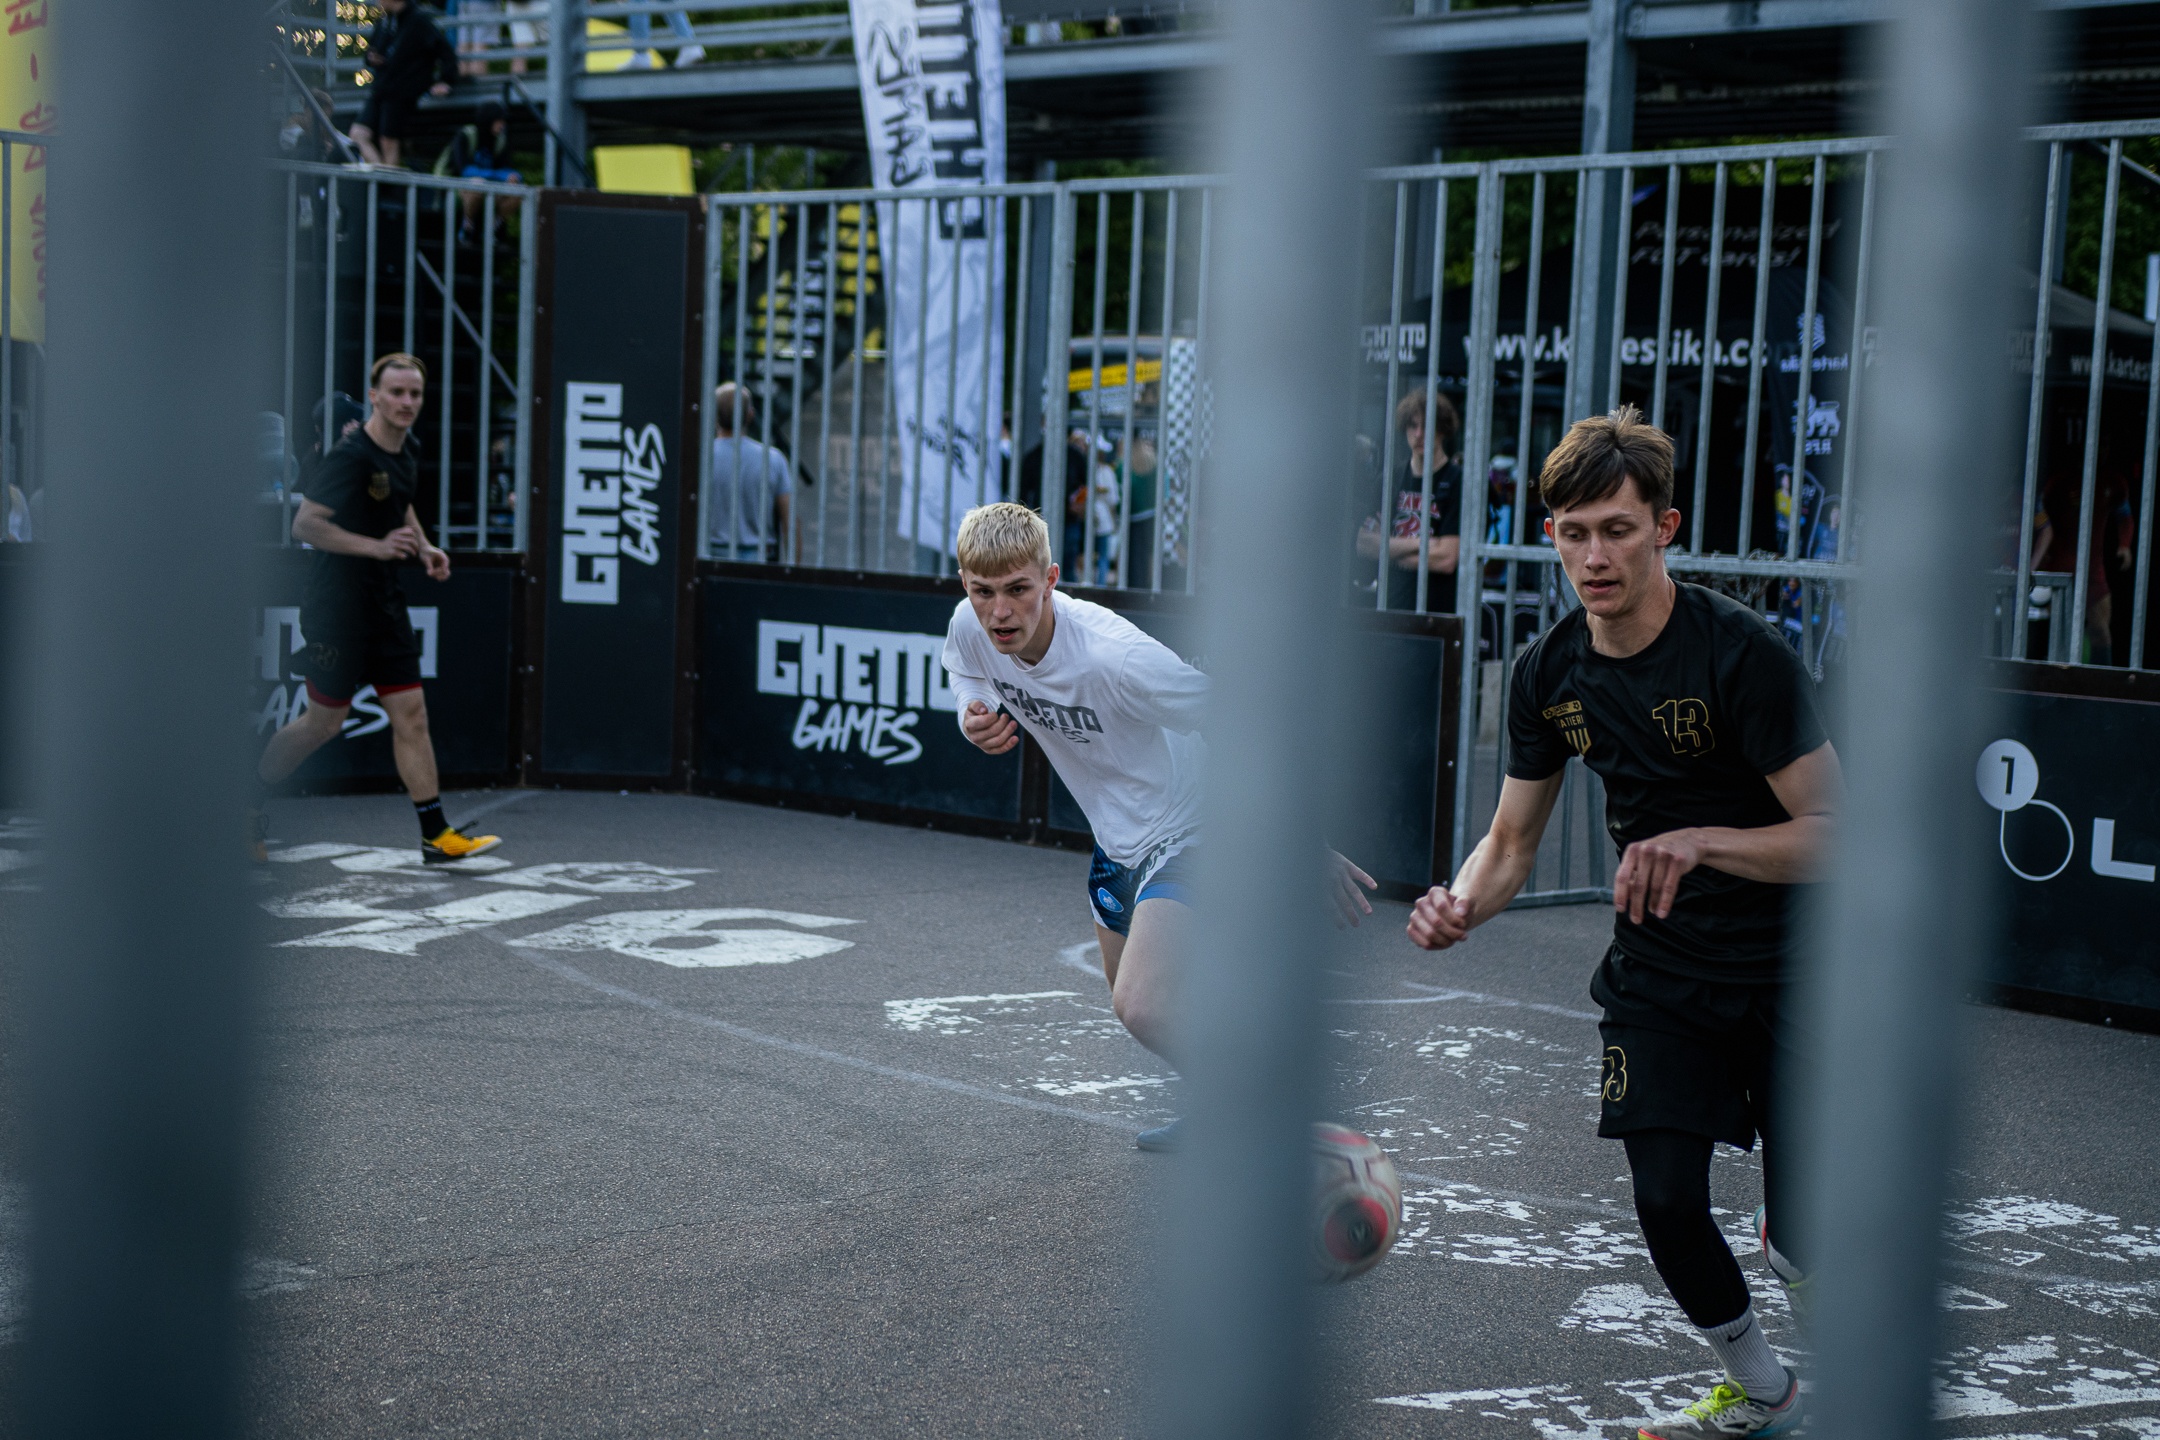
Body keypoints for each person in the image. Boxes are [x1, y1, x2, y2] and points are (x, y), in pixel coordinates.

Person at [1407, 406, 1839, 1440]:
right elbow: (1510, 841)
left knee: (1805, 1242)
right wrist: (1462, 902)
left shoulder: (1742, 657)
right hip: (1660, 971)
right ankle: (1763, 1389)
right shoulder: (1549, 673)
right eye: (1574, 533)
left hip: (1797, 970)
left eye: (1617, 530)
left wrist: (1702, 841)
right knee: (1666, 1198)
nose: (1594, 557)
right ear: (1550, 536)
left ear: (1664, 528)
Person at [943, 503, 1376, 1151]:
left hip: (1194, 825)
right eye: (983, 592)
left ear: (1051, 579)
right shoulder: (970, 625)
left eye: (1018, 590)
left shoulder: (1116, 658)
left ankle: (1279, 1120)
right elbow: (965, 670)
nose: (999, 611)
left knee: (1141, 1003)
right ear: (965, 585)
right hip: (1116, 838)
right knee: (1156, 1008)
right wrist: (970, 716)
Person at [253, 353, 502, 865]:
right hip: (336, 609)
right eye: (396, 393)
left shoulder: (406, 448)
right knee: (323, 724)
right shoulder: (349, 457)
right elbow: (306, 525)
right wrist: (377, 547)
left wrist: (424, 547)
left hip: (383, 605)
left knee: (412, 715)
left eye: (415, 394)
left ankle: (436, 835)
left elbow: (399, 502)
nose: (406, 402)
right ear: (374, 397)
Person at [1357, 388, 1462, 612]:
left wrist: (1388, 551)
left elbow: (1446, 559)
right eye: (1412, 426)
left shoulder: (1456, 481)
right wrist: (1424, 544)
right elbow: (1364, 544)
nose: (1419, 434)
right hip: (1391, 607)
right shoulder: (1390, 479)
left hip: (1438, 613)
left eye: (1427, 426)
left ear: (1442, 429)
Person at [349, 0, 459, 169]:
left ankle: (389, 182)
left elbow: (445, 52)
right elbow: (373, 51)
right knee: (358, 133)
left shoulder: (418, 21)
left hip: (402, 91)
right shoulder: (385, 21)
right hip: (381, 89)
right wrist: (372, 58)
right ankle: (382, 178)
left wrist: (445, 80)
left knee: (388, 140)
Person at [707, 383, 793, 562]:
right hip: (759, 559)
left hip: (711, 557)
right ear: (750, 415)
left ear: (714, 416)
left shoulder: (702, 458)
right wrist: (793, 569)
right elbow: (789, 520)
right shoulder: (773, 459)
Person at [433, 98, 521, 244]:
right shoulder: (466, 135)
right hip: (453, 187)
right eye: (499, 121)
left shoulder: (500, 141)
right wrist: (499, 176)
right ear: (488, 120)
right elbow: (465, 170)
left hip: (488, 188)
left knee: (516, 192)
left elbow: (507, 169)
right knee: (477, 185)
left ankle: (492, 228)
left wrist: (512, 177)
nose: (502, 125)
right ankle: (467, 227)